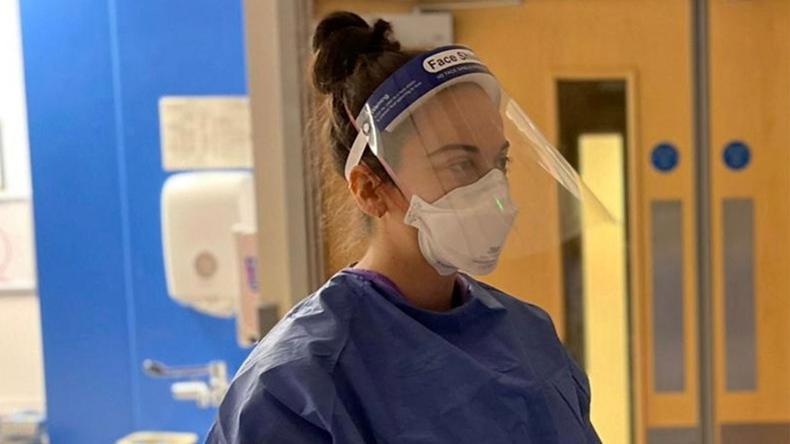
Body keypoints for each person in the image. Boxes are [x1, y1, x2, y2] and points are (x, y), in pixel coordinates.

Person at [207, 11, 601, 444]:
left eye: (498, 163)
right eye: (460, 163)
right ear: (370, 189)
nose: (494, 191)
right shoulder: (299, 385)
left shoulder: (528, 336)